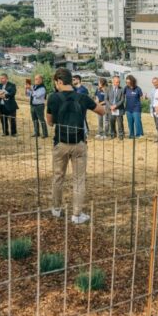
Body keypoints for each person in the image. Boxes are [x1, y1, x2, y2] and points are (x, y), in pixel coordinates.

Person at [46, 68, 105, 225]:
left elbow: (49, 122)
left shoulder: (53, 97)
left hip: (60, 142)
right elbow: (101, 111)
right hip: (79, 143)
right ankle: (77, 214)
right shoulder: (82, 97)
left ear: (59, 81)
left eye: (56, 83)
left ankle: (56, 209)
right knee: (79, 180)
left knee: (58, 177)